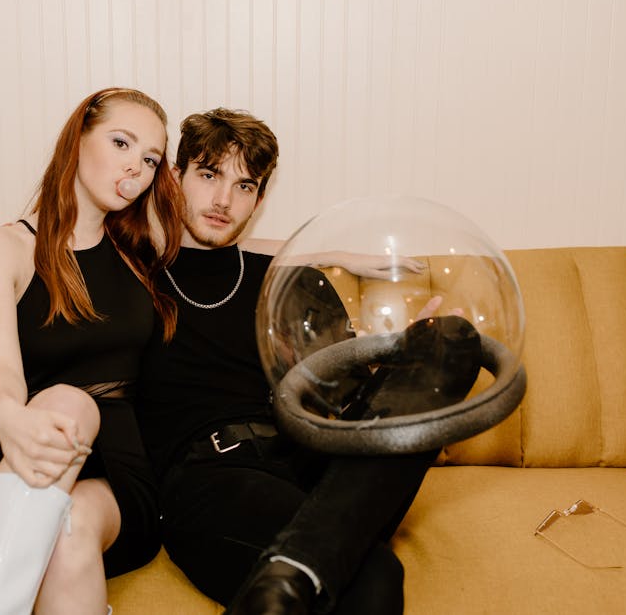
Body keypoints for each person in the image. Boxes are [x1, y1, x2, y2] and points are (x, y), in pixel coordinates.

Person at [136, 108, 481, 614]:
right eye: (209, 175)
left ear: (258, 197)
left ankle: (298, 569)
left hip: (310, 461)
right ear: (175, 176)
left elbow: (339, 402)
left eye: (245, 186)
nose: (223, 200)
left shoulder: (287, 281)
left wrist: (404, 364)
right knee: (377, 572)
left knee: (451, 339)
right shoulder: (131, 274)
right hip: (212, 479)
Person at [0, 87, 183, 615]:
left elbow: (237, 243)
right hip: (20, 448)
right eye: (121, 143)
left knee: (71, 528)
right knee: (66, 403)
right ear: (77, 140)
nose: (136, 169)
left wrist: (341, 255)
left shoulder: (141, 249)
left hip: (117, 471)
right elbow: (0, 365)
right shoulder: (4, 246)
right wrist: (7, 416)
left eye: (149, 159)